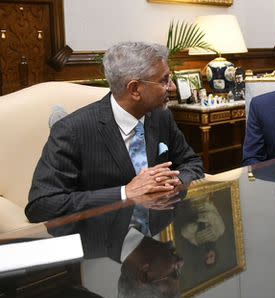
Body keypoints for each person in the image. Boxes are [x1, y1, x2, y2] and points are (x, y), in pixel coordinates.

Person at [25, 42, 204, 222]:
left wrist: (175, 182)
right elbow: (42, 205)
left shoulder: (161, 117)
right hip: (105, 241)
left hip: (163, 234)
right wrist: (124, 193)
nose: (172, 87)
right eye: (164, 80)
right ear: (134, 89)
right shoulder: (72, 131)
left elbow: (191, 163)